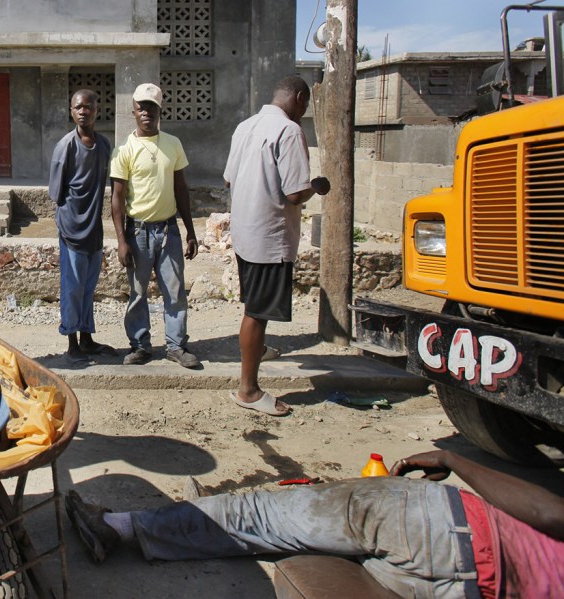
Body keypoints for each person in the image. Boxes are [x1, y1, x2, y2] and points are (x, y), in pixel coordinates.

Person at [66, 449, 564, 598]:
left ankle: (121, 526)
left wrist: (457, 461)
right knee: (292, 547)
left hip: (448, 526)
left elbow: (549, 513)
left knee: (262, 517)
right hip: (457, 592)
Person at [222, 75, 330, 416]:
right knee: (257, 312)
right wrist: (318, 185)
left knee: (255, 305)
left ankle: (258, 351)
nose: (304, 111)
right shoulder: (289, 131)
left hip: (245, 233)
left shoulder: (245, 126)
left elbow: (229, 177)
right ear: (299, 97)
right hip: (270, 237)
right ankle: (248, 390)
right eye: (306, 103)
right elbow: (295, 192)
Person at [110, 83, 200, 369]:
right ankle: (140, 345)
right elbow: (117, 197)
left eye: (152, 107)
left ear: (161, 110)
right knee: (137, 293)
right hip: (138, 232)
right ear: (134, 111)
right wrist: (121, 241)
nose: (146, 112)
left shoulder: (173, 143)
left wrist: (190, 231)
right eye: (141, 107)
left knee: (174, 291)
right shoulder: (124, 149)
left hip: (169, 230)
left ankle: (175, 346)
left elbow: (181, 189)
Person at [49, 89, 117, 362]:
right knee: (72, 288)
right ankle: (72, 343)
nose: (83, 111)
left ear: (96, 110)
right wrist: (70, 219)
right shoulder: (66, 146)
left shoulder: (103, 145)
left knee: (89, 288)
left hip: (94, 230)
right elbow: (56, 192)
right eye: (78, 107)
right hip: (72, 231)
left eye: (88, 107)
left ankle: (87, 338)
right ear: (71, 110)